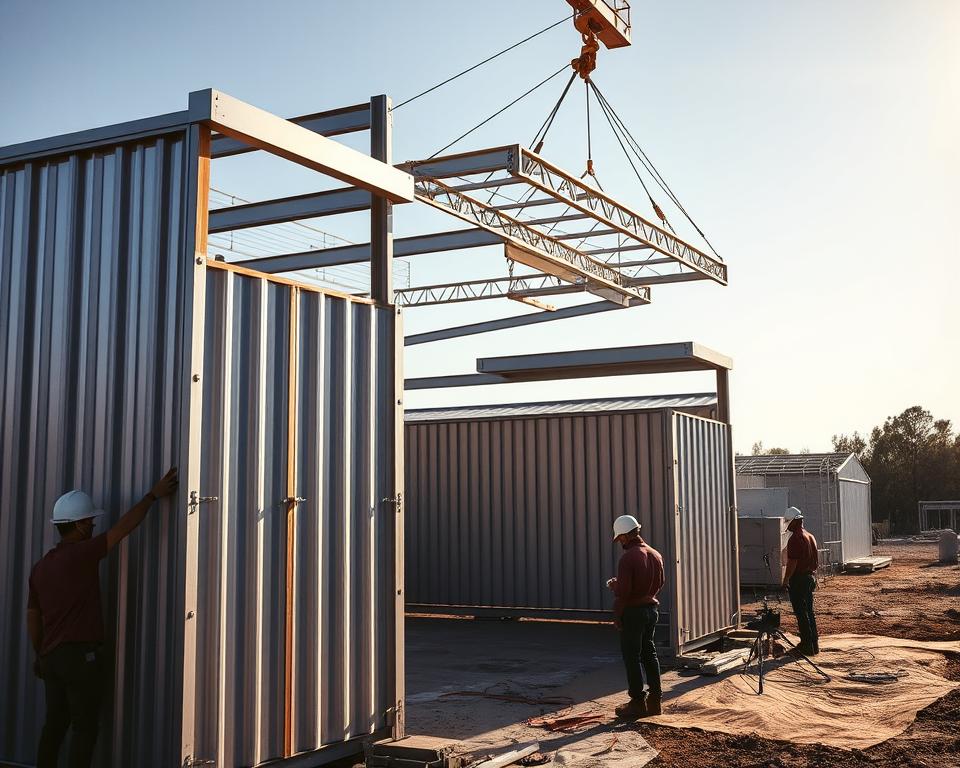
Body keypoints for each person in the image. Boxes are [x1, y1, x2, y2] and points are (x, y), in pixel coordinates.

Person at [27, 468, 179, 768]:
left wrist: (40, 653)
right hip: (79, 657)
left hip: (51, 657)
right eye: (91, 522)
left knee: (54, 726)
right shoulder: (83, 554)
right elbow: (123, 528)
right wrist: (152, 496)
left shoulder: (40, 567)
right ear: (81, 525)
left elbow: (33, 616)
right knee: (84, 728)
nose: (94, 526)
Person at [607, 514, 665, 719]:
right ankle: (655, 701)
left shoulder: (628, 558)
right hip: (651, 610)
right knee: (650, 653)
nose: (619, 542)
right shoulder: (655, 555)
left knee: (631, 656)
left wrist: (616, 587)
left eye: (620, 538)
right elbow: (660, 582)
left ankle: (637, 702)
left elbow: (624, 593)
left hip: (633, 612)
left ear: (624, 536)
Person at [781, 506, 820, 655]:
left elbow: (792, 563)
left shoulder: (796, 539)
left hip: (800, 579)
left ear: (795, 522)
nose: (788, 526)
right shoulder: (810, 536)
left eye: (789, 523)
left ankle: (806, 645)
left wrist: (785, 581)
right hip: (810, 578)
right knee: (809, 612)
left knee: (801, 613)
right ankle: (814, 644)